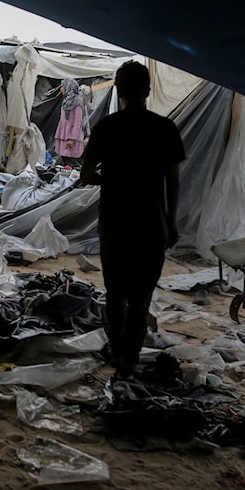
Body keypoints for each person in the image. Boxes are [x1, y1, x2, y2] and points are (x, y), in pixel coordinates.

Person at [80, 60, 185, 377]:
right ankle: (130, 357)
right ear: (148, 90)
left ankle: (116, 349)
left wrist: (112, 180)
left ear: (119, 89)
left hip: (114, 222)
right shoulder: (164, 128)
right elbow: (174, 182)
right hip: (150, 225)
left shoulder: (106, 128)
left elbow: (86, 175)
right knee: (140, 298)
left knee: (115, 293)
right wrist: (171, 222)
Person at [54, 78, 87, 167]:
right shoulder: (66, 101)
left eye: (63, 87)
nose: (61, 89)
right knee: (64, 164)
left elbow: (78, 122)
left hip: (71, 139)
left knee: (72, 163)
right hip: (64, 136)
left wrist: (72, 138)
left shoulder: (77, 101)